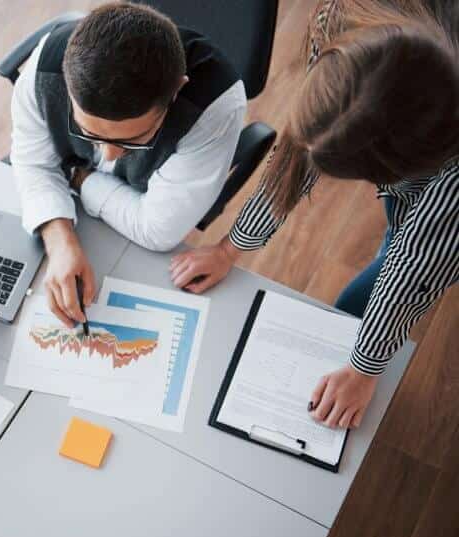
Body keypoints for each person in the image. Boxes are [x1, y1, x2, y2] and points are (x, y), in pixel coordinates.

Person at [170, 0, 459, 429]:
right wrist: (232, 247)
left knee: (384, 273)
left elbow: (417, 261)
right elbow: (305, 142)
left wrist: (364, 368)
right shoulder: (339, 20)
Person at [11, 1, 247, 327]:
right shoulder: (44, 70)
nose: (107, 155)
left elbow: (156, 230)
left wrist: (76, 177)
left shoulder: (215, 109)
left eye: (133, 139)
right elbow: (31, 163)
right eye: (89, 132)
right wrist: (59, 241)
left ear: (176, 90)